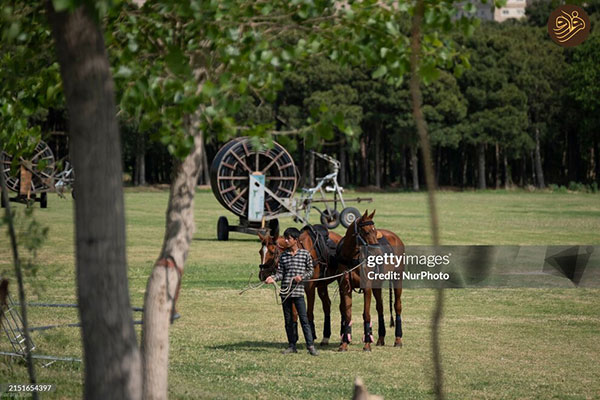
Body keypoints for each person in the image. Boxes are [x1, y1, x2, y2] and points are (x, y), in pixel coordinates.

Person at [265, 227, 318, 356]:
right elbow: (280, 274)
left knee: (304, 320)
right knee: (288, 320)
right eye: (285, 238)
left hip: (298, 293)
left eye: (288, 238)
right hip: (286, 293)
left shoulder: (305, 254)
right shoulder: (284, 257)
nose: (286, 241)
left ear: (295, 240)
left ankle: (310, 345)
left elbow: (310, 271)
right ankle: (292, 345)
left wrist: (302, 277)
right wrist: (273, 278)